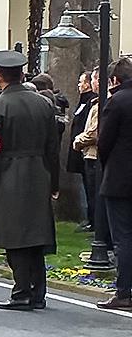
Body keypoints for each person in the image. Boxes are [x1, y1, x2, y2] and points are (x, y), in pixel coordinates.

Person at [0, 50, 59, 311]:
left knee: (15, 237)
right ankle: (38, 292)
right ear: (22, 74)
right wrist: (54, 183)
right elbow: (53, 148)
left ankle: (21, 291)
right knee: (36, 235)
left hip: (10, 175)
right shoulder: (44, 104)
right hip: (39, 173)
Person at [96, 58, 132, 309]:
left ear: (115, 80)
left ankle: (124, 291)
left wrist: (107, 164)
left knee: (123, 237)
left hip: (120, 178)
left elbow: (104, 142)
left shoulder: (116, 102)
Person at [68, 71, 98, 230]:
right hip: (83, 152)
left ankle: (93, 220)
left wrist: (79, 140)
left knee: (91, 188)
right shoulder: (84, 102)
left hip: (89, 151)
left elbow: (92, 131)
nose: (79, 85)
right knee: (87, 187)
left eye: (81, 82)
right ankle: (90, 218)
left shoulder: (92, 103)